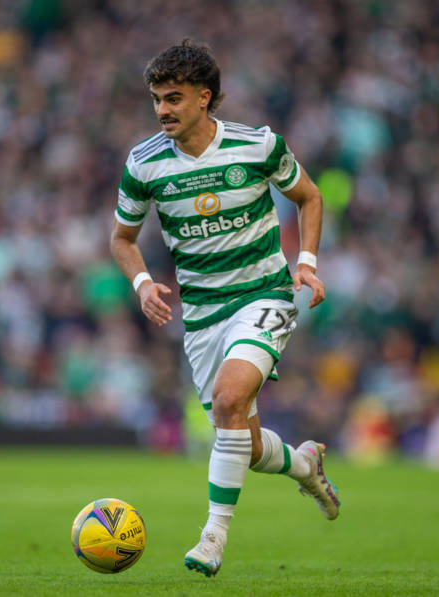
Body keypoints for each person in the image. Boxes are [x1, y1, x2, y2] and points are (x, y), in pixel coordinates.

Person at [110, 39, 340, 578]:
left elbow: (310, 196)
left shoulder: (258, 146)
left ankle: (212, 538)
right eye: (156, 99)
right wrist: (142, 284)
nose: (162, 110)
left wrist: (306, 263)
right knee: (245, 441)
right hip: (203, 316)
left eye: (173, 98)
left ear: (204, 97)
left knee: (230, 397)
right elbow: (121, 238)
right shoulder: (143, 164)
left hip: (264, 294)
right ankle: (305, 464)